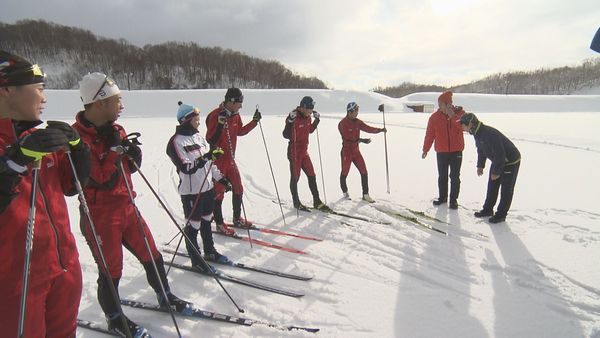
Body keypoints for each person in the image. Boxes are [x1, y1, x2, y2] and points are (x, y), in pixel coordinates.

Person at [73, 72, 191, 336]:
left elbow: (127, 168)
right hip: (99, 215)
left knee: (152, 253)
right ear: (100, 102)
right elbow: (99, 178)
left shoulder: (116, 130)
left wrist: (132, 155)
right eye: (117, 100)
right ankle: (114, 318)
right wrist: (115, 152)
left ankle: (165, 295)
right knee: (111, 269)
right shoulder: (77, 138)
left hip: (127, 206)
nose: (121, 105)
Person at [0, 51, 89, 337]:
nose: (44, 98)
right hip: (16, 282)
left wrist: (78, 149)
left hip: (63, 269)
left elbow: (72, 186)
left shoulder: (38, 138)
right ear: (7, 90)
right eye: (38, 88)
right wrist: (12, 162)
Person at [166, 101, 233, 266]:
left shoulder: (198, 137)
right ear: (186, 120)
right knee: (193, 225)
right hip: (192, 192)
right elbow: (186, 167)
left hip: (207, 189)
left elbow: (210, 163)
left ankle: (210, 252)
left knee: (206, 221)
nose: (199, 121)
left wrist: (221, 178)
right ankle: (196, 260)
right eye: (196, 119)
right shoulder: (176, 142)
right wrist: (206, 157)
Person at [205, 88, 261, 235]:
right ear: (231, 101)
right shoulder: (215, 115)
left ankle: (237, 218)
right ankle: (219, 223)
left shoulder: (236, 116)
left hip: (230, 160)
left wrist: (254, 122)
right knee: (219, 192)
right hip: (218, 160)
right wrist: (219, 123)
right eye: (239, 103)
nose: (241, 106)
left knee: (238, 187)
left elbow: (240, 131)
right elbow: (210, 139)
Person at [459, 113, 521, 223]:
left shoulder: (489, 133)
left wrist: (496, 172)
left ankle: (501, 215)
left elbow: (500, 153)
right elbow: (481, 150)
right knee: (492, 186)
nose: (462, 128)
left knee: (506, 190)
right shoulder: (477, 133)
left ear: (471, 124)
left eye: (463, 125)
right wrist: (480, 165)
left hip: (510, 161)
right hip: (498, 160)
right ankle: (487, 210)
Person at [283, 96, 331, 212]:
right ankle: (296, 202)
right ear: (304, 107)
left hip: (304, 151)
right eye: (310, 108)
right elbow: (285, 134)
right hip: (294, 151)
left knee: (312, 175)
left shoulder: (308, 117)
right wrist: (289, 121)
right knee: (295, 177)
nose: (312, 110)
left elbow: (310, 130)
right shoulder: (294, 116)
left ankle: (317, 201)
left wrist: (317, 121)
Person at [422, 91, 465, 209]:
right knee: (442, 176)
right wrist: (425, 149)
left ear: (448, 104)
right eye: (439, 104)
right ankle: (442, 197)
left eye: (441, 104)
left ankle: (453, 200)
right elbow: (430, 134)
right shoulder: (434, 117)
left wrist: (453, 117)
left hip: (456, 151)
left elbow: (463, 128)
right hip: (441, 151)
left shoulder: (460, 114)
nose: (439, 106)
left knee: (455, 176)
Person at [338, 101, 386, 203]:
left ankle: (365, 195)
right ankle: (345, 193)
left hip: (356, 152)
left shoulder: (358, 122)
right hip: (346, 152)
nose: (357, 113)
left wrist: (380, 130)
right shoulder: (342, 124)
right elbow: (348, 138)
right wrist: (361, 140)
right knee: (345, 173)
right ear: (350, 112)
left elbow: (367, 128)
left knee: (364, 171)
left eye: (357, 110)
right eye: (356, 111)